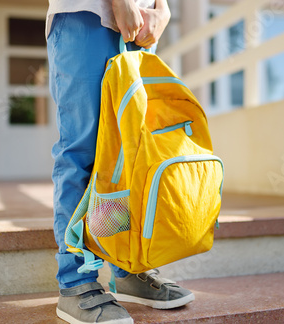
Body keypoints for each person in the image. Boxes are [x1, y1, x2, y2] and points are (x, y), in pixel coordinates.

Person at [46, 1, 194, 323]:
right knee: (81, 151)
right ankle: (75, 282)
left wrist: (161, 8)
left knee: (127, 156)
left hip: (139, 25)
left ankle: (126, 268)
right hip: (86, 16)